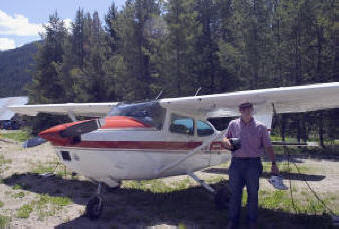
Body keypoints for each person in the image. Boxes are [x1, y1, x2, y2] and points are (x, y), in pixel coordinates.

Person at [223, 102, 279, 229]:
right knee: (235, 193)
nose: (246, 111)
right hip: (236, 163)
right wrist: (226, 142)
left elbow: (268, 146)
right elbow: (226, 138)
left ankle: (252, 222)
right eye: (243, 109)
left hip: (253, 163)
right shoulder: (233, 124)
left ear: (252, 110)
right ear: (239, 110)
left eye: (248, 109)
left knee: (253, 194)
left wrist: (274, 163)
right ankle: (233, 221)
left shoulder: (261, 127)